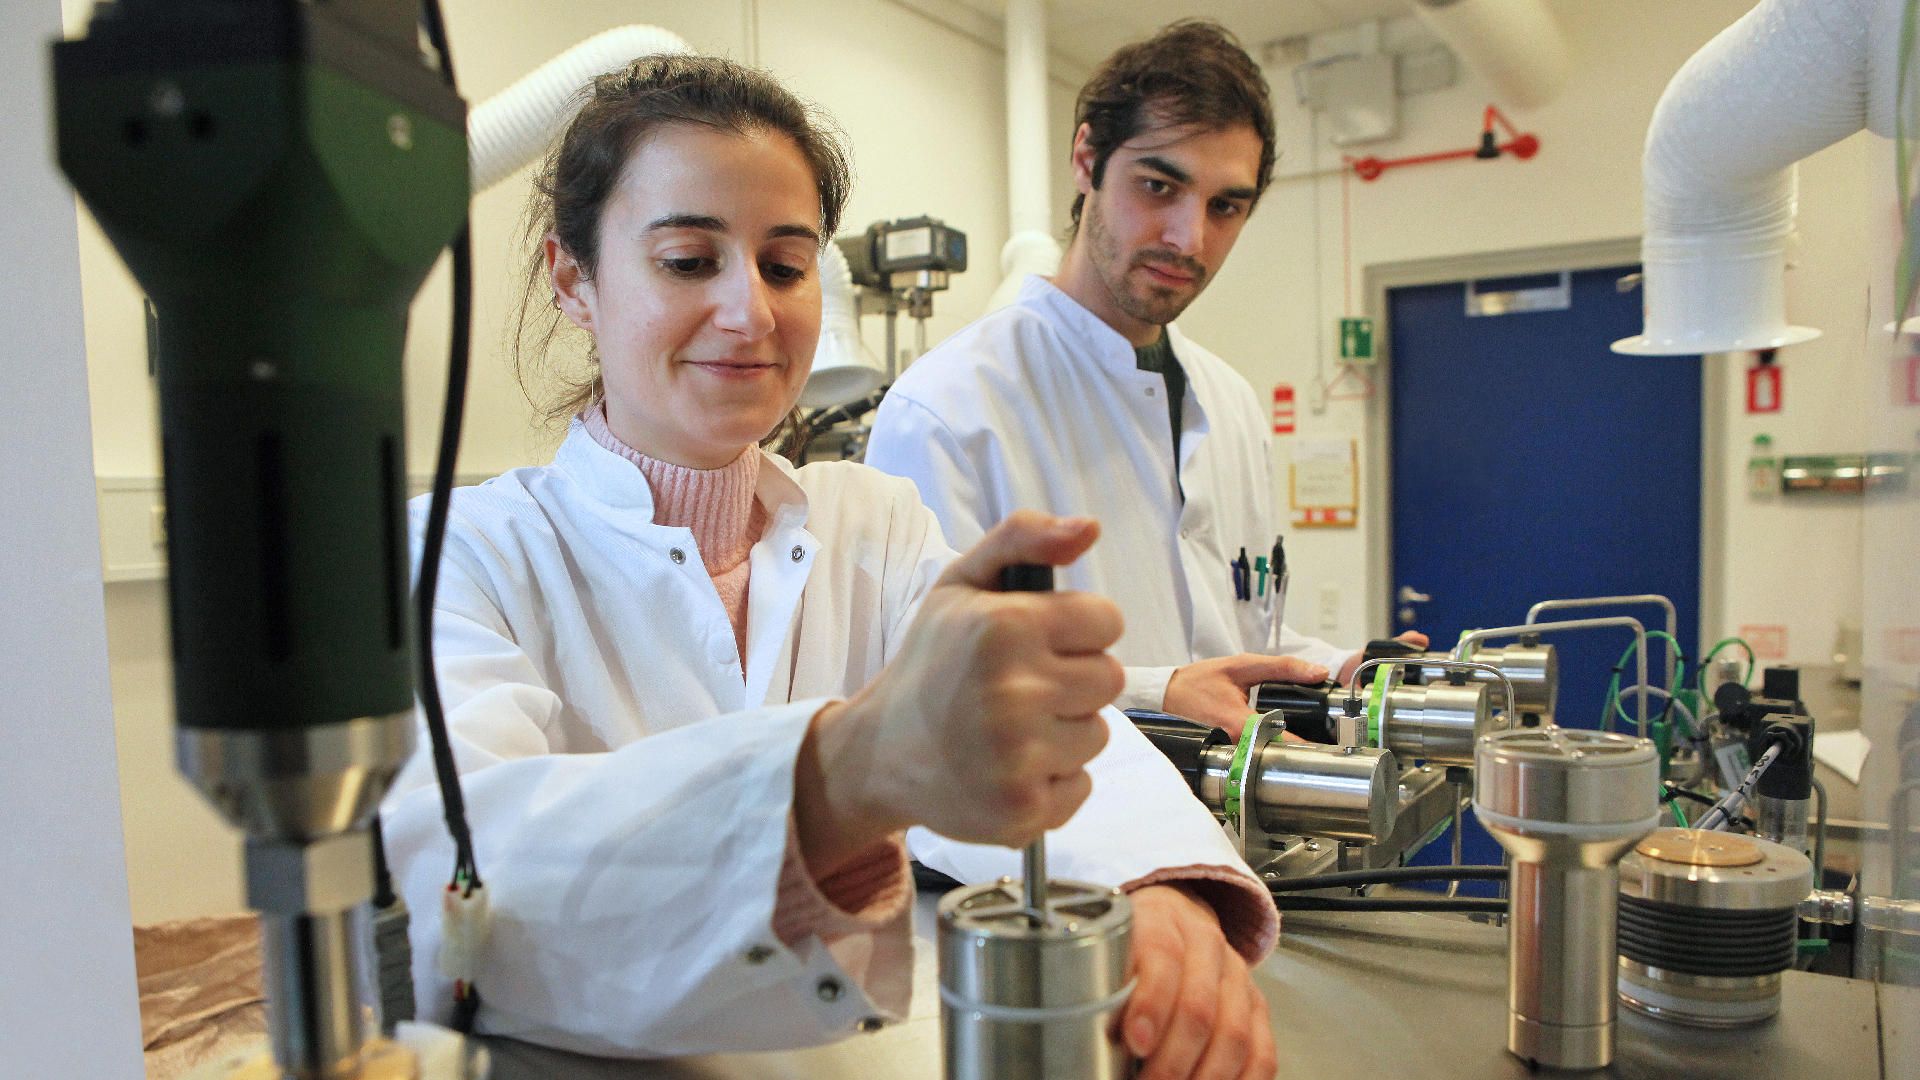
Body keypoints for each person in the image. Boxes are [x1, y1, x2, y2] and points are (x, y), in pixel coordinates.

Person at [379, 55, 1279, 1080]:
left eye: (783, 265)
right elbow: (467, 895)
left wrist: (1155, 888)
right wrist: (846, 773)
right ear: (573, 279)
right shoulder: (461, 553)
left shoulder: (874, 525)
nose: (749, 313)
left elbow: (1033, 728)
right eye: (687, 261)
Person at [865, 21, 1424, 738]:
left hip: (1232, 825)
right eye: (1159, 186)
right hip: (1050, 840)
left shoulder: (1229, 400)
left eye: (1226, 206)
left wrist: (1341, 667)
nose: (1189, 238)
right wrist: (1161, 692)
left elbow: (1238, 643)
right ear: (1086, 158)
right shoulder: (947, 408)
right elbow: (930, 682)